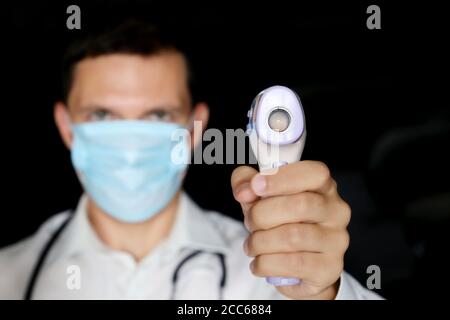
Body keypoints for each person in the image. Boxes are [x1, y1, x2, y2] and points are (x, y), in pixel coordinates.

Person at [0, 20, 381, 300]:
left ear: (195, 129)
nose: (132, 143)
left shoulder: (272, 271)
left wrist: (323, 292)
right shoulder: (8, 276)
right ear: (66, 127)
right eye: (102, 116)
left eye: (158, 116)